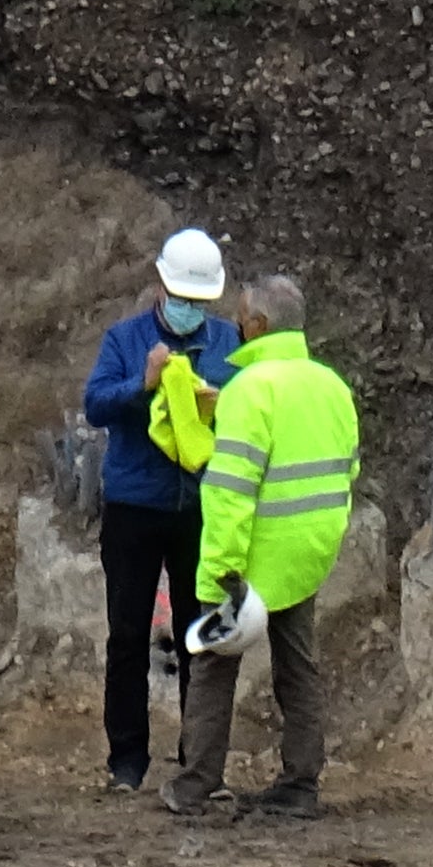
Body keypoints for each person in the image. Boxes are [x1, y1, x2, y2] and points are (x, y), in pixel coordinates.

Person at [173, 268, 363, 824]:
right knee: (298, 667)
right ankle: (301, 783)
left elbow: (230, 493)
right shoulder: (332, 386)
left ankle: (196, 783)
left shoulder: (248, 392)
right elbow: (347, 468)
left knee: (212, 662)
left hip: (253, 557)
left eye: (239, 316)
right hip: (307, 555)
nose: (233, 323)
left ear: (256, 324)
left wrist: (224, 571)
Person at [78, 228, 236, 795]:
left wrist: (221, 403)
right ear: (161, 286)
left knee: (201, 635)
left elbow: (245, 409)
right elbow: (95, 404)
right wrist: (142, 386)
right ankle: (126, 761)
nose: (191, 310)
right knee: (126, 635)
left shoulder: (227, 344)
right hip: (133, 507)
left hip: (200, 509)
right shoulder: (124, 340)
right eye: (183, 298)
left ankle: (199, 762)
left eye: (200, 302)